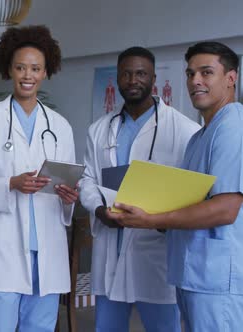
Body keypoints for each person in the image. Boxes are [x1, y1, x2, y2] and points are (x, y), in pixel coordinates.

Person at [108, 41, 243, 331]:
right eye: (190, 73)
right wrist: (149, 212)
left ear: (231, 78)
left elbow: (226, 209)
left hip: (217, 278)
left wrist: (151, 219)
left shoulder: (234, 126)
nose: (195, 81)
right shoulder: (200, 136)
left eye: (206, 73)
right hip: (193, 273)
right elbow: (191, 199)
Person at [0, 25, 78, 332]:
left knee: (40, 328)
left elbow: (66, 176)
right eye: (21, 67)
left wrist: (69, 196)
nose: (28, 75)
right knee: (1, 327)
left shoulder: (60, 126)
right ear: (9, 70)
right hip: (5, 243)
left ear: (45, 72)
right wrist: (10, 184)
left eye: (35, 68)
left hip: (48, 243)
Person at [78, 46, 199, 332]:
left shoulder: (184, 129)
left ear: (153, 78)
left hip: (155, 251)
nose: (133, 80)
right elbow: (86, 179)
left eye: (141, 73)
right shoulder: (99, 130)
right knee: (108, 327)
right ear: (117, 79)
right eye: (127, 74)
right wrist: (98, 209)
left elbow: (192, 191)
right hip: (111, 245)